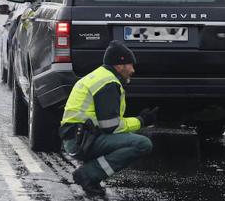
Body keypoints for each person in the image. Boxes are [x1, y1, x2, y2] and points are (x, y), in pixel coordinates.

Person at [59, 40, 156, 196]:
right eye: (130, 65)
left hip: (78, 137)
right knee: (142, 144)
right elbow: (110, 126)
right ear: (119, 65)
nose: (133, 70)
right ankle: (89, 174)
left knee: (129, 139)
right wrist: (141, 121)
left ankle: (92, 174)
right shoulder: (108, 83)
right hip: (82, 141)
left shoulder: (98, 76)